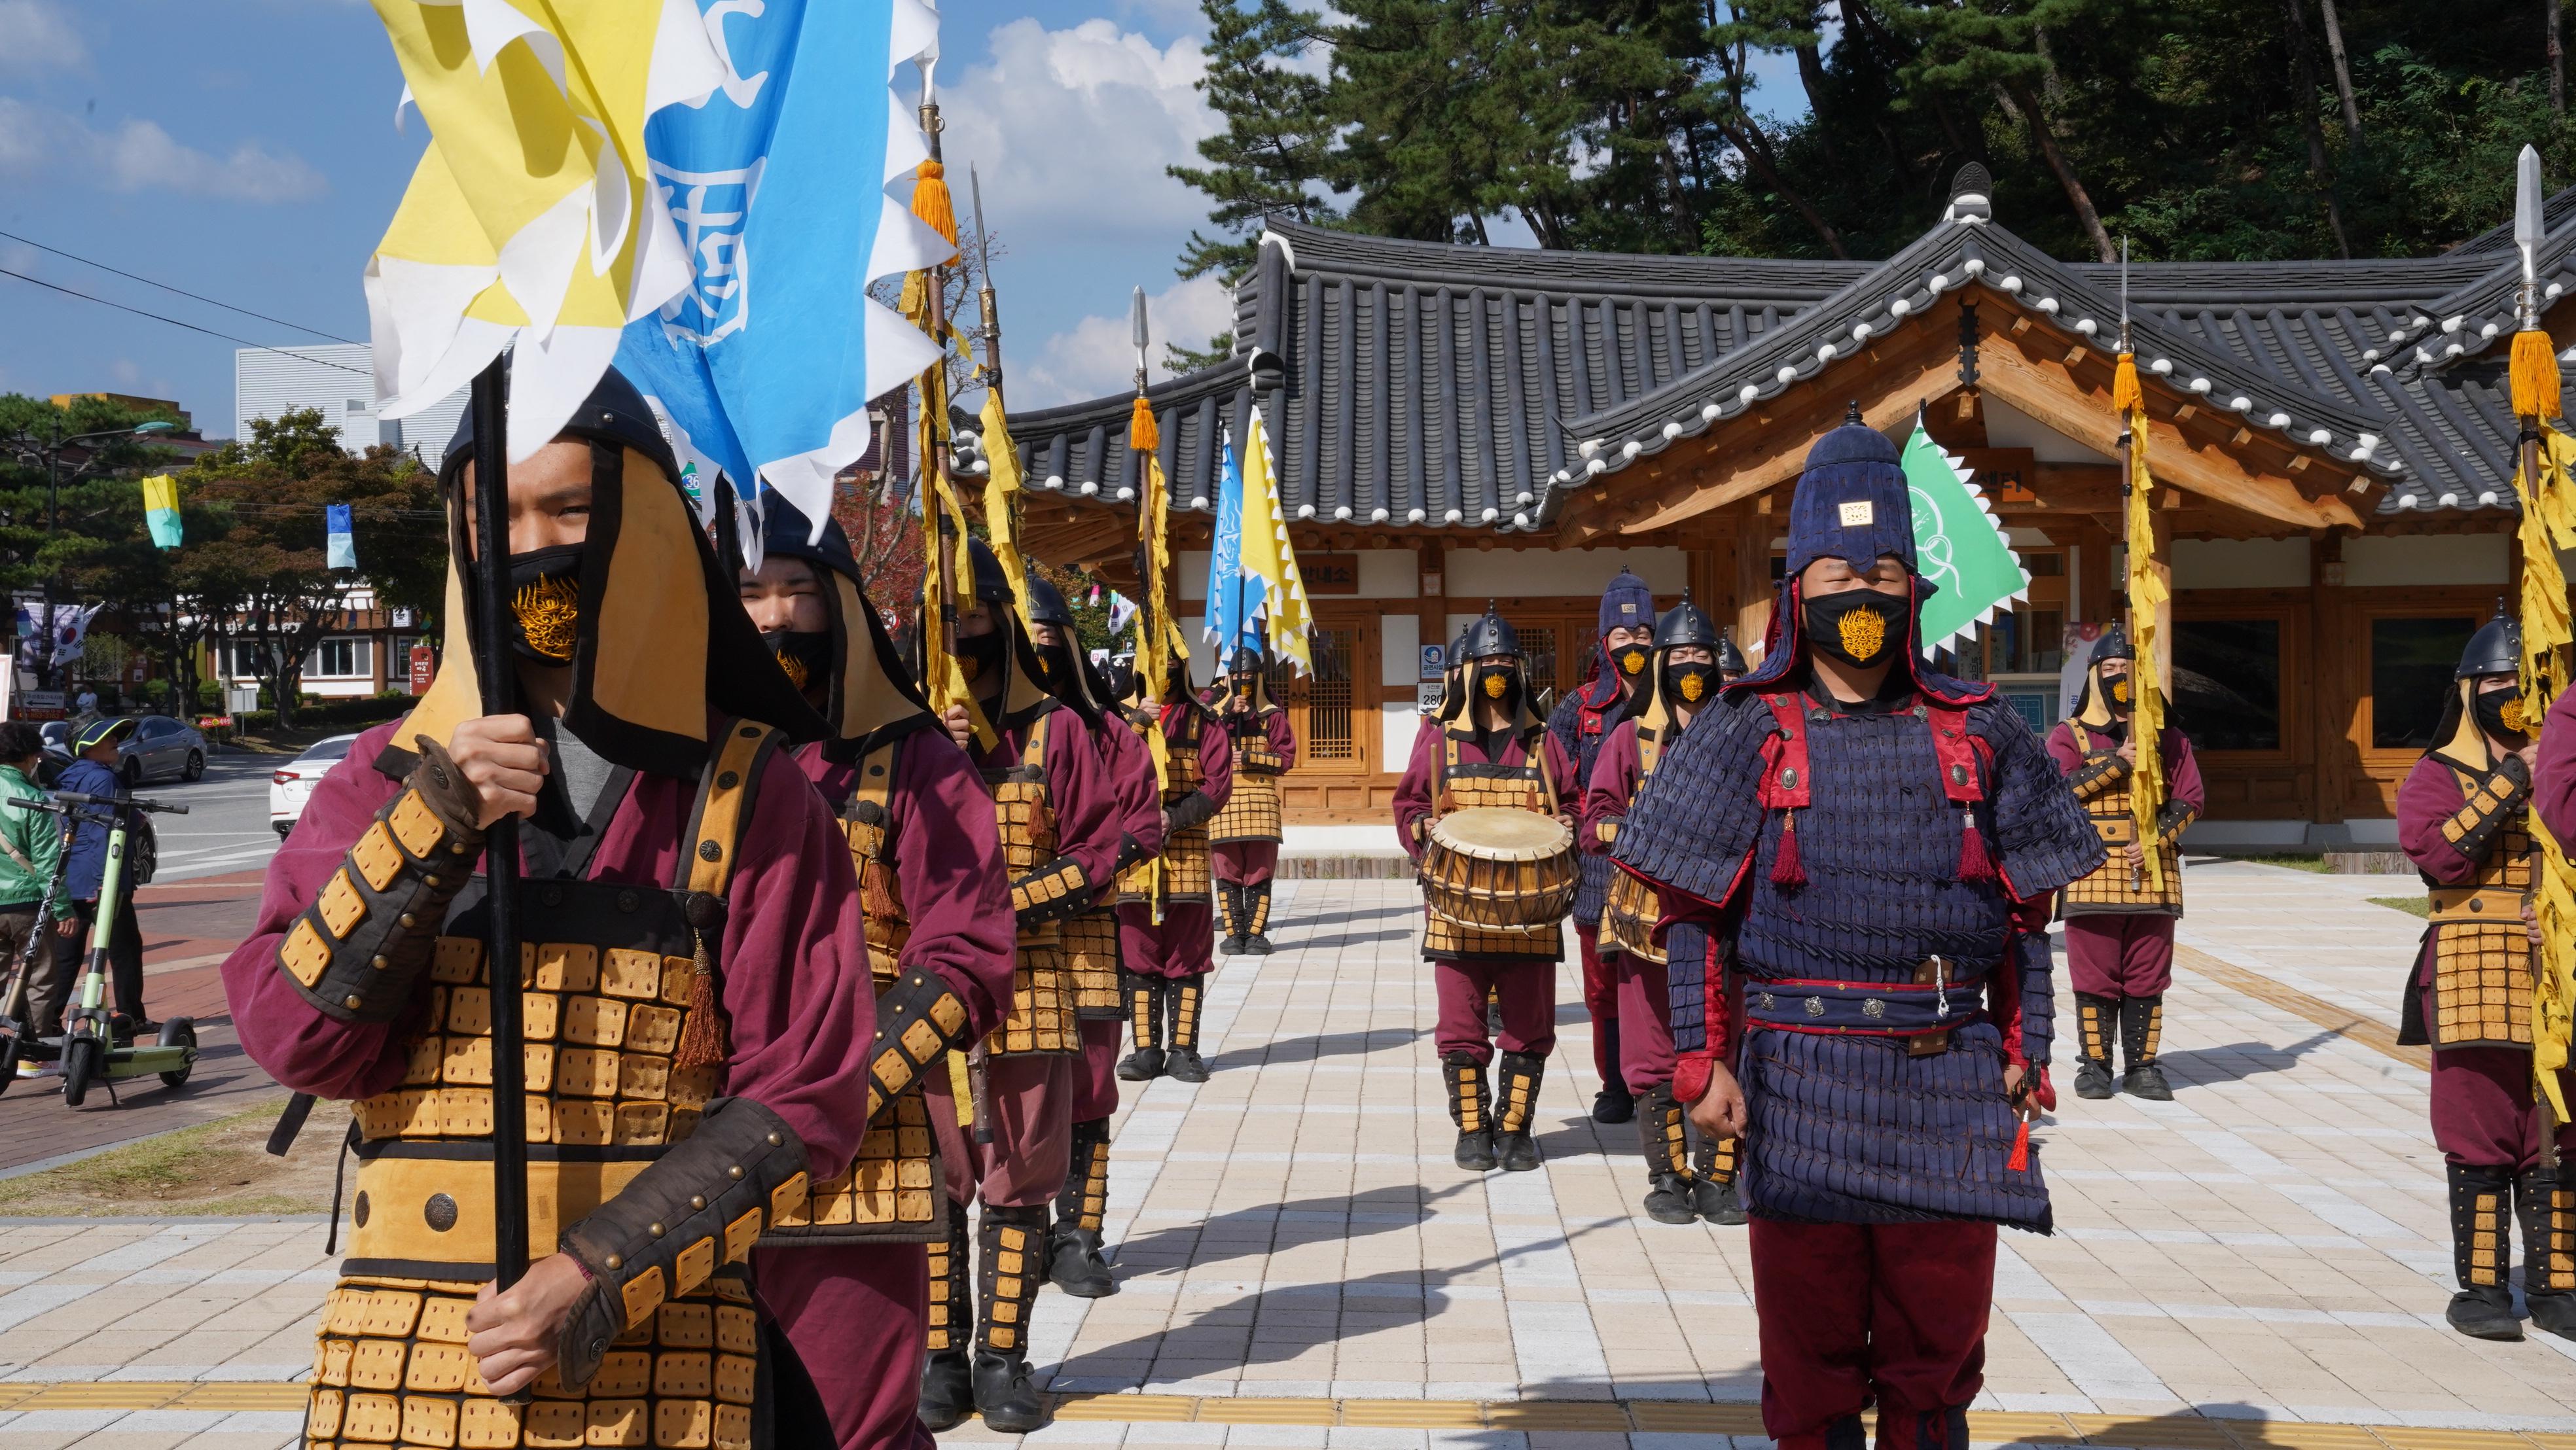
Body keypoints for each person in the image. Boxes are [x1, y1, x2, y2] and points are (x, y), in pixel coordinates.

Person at [220, 365, 876, 1448]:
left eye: (570, 508)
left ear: (646, 522)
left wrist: (596, 1272)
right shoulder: (382, 776)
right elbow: (298, 1042)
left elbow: (804, 1098)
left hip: (665, 1337)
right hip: (410, 1353)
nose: (532, 543)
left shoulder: (752, 790)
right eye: (501, 513)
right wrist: (427, 829)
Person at [1612, 411, 2102, 1450]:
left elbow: (2026, 916)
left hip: (1949, 1073)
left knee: (1937, 1360)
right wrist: (1700, 1064)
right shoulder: (1743, 728)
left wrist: (2031, 1048)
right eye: (1839, 578)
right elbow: (1693, 913)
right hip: (1798, 1076)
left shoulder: (1985, 730)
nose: (1863, 596)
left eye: (1883, 574)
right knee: (1811, 1359)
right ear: (1801, 592)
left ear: (1914, 589)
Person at [737, 490, 1016, 1447]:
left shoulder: (920, 764)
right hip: (686, 1145)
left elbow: (969, 957)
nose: (773, 616)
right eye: (748, 591)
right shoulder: (690, 762)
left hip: (864, 1137)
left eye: (797, 591)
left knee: (851, 1421)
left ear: (843, 604)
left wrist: (834, 1084)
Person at [915, 539, 1122, 1430]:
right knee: (930, 1184)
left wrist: (1005, 907)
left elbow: (1100, 852)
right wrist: (936, 754)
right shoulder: (901, 736)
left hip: (1030, 986)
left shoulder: (1059, 731)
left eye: (976, 620)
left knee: (1018, 1180)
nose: (963, 638)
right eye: (944, 622)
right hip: (923, 997)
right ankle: (939, 1360)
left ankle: (1002, 1358)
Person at [2405, 608, 2572, 1342]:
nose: (2513, 693)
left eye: (2525, 681)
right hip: (2470, 965)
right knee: (2478, 1128)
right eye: (2499, 681)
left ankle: (2555, 1283)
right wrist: (2514, 776)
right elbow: (2441, 856)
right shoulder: (2432, 774)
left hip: (2553, 968)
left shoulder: (2561, 766)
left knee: (2556, 1129)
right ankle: (2480, 1288)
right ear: (2470, 687)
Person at [1395, 604, 1579, 1174]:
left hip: (1531, 911)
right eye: (1486, 662)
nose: (1497, 671)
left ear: (1521, 671)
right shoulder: (1438, 740)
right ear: (1467, 672)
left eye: (1506, 661)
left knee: (1528, 1028)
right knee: (1460, 1026)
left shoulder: (1542, 741)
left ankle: (1517, 1129)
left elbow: (1570, 803)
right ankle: (1473, 1129)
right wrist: (1421, 830)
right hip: (1456, 912)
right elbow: (1408, 806)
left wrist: (1570, 824)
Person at [1581, 593, 1743, 1227]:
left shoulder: (1738, 733)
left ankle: (1721, 1177)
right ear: (1660, 664)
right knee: (1651, 1049)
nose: (1693, 664)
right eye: (1681, 655)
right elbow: (1596, 817)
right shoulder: (1629, 736)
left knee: (1724, 1039)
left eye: (1703, 654)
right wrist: (1643, 836)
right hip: (1645, 914)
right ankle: (1669, 1176)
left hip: (1722, 915)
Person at [1024, 577, 1159, 1301]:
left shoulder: (1112, 734)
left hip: (1086, 933)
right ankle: (1023, 1223)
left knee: (1087, 1086)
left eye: (1050, 643)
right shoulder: (972, 737)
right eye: (1028, 643)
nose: (1038, 656)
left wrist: (1086, 865)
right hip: (1003, 941)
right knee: (1013, 1091)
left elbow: (1143, 822)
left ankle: (1079, 1233)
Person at [2047, 622, 2205, 1101]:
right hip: (2092, 870)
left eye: (2127, 669)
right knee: (2094, 972)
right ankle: (2094, 1065)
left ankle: (2143, 1067)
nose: (2118, 676)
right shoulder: (2069, 735)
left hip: (2152, 869)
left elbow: (2191, 798)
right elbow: (2056, 795)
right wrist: (2118, 761)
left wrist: (2155, 839)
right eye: (2109, 668)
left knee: (2147, 972)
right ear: (2093, 675)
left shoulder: (2169, 736)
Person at [1549, 569, 1657, 1125]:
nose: (1633, 649)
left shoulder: (1676, 703)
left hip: (1661, 870)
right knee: (1603, 987)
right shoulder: (1578, 708)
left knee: (1655, 980)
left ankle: (1657, 1084)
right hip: (1598, 870)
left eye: (1643, 639)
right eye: (1623, 639)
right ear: (1603, 641)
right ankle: (1614, 1083)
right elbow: (1556, 786)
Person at [1113, 654, 1233, 1084]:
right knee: (1140, 954)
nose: (1160, 672)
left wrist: (1174, 817)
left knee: (1187, 953)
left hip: (1187, 853)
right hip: (1133, 856)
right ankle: (1145, 1050)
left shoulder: (1203, 722)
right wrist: (1136, 726)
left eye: (1168, 664)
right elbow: (1101, 772)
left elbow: (1217, 785)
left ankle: (1184, 1051)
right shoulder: (1115, 719)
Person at [58, 717, 147, 1031]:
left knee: (67, 957)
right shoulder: (103, 780)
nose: (115, 742)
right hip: (102, 878)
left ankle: (47, 1020)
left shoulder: (70, 776)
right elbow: (105, 835)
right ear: (86, 747)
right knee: (125, 950)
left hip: (73, 876)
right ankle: (130, 1017)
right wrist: (103, 884)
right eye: (106, 738)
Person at [1209, 646, 1296, 955]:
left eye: (1248, 677)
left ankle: (1256, 935)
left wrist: (1248, 757)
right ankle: (1234, 935)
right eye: (1236, 676)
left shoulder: (1272, 716)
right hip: (1223, 800)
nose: (1242, 681)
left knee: (1259, 871)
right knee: (1227, 870)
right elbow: (1200, 753)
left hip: (1261, 800)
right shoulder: (1213, 717)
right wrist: (1225, 714)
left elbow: (1285, 760)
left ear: (1259, 679)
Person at [0, 722, 75, 1038]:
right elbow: (48, 862)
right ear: (30, 757)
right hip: (27, 903)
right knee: (40, 976)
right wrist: (63, 908)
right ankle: (34, 1049)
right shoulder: (31, 798)